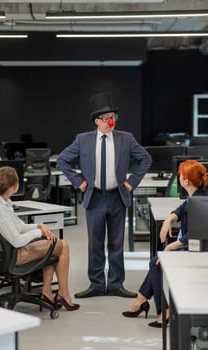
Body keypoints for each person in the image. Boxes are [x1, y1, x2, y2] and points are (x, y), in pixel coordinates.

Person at [57, 92, 152, 298]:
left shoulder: (126, 139)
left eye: (113, 117)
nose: (111, 121)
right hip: (95, 198)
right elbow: (62, 160)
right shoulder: (83, 140)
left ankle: (116, 284)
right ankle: (97, 285)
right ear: (96, 121)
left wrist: (131, 182)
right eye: (106, 117)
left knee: (117, 244)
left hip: (117, 197)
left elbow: (145, 159)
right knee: (95, 244)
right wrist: (79, 182)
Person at [122, 159, 208, 326]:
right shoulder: (195, 196)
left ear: (186, 181)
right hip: (189, 247)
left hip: (196, 251)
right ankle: (141, 300)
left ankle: (166, 310)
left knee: (156, 263)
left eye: (181, 175)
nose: (179, 178)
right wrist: (168, 220)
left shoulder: (199, 202)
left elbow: (196, 235)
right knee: (157, 260)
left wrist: (172, 246)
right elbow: (180, 209)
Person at [0, 166, 79, 311]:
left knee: (50, 244)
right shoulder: (0, 210)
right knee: (63, 246)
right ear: (15, 187)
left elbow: (20, 227)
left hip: (6, 254)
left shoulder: (0, 204)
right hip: (14, 256)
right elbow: (16, 240)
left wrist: (40, 226)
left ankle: (47, 292)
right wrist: (39, 233)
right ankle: (63, 294)